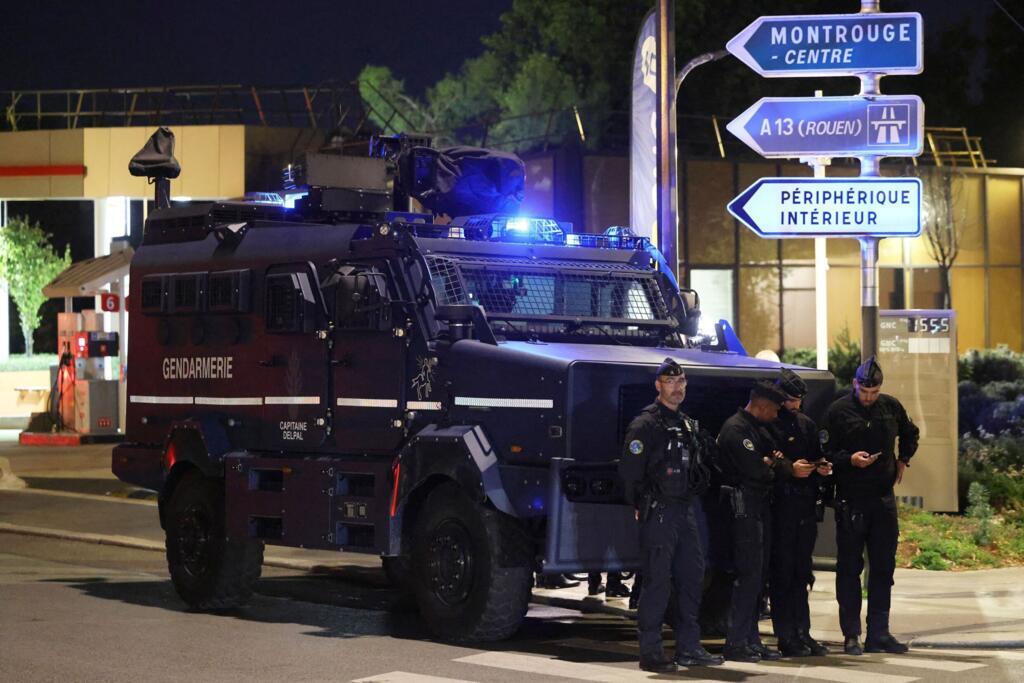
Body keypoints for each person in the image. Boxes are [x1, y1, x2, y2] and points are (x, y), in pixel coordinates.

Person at [618, 358, 722, 673]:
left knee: (693, 576)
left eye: (681, 382)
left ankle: (689, 647)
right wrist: (642, 505)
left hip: (685, 509)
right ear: (658, 385)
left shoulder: (688, 424)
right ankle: (651, 652)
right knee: (657, 582)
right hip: (659, 511)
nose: (677, 388)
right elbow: (629, 474)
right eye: (670, 382)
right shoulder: (645, 425)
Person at [821, 356, 919, 656]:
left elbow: (910, 432)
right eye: (864, 392)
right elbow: (824, 450)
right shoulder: (838, 411)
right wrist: (848, 460)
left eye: (874, 392)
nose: (869, 398)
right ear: (855, 385)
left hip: (882, 499)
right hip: (852, 499)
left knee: (883, 568)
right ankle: (851, 634)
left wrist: (903, 459)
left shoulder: (889, 406)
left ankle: (879, 633)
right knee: (849, 569)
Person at [715, 380, 791, 663]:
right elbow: (758, 471)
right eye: (774, 410)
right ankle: (736, 642)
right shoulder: (736, 430)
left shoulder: (756, 428)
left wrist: (770, 464)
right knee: (747, 576)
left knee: (757, 578)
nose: (776, 416)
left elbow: (776, 461)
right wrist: (769, 466)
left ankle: (751, 639)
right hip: (743, 507)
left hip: (757, 506)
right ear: (761, 406)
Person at [769, 369, 832, 657]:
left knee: (802, 573)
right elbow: (769, 463)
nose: (794, 405)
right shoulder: (770, 423)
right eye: (790, 400)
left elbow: (818, 455)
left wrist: (821, 469)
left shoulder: (806, 424)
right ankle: (786, 635)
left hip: (805, 507)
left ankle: (802, 632)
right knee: (783, 574)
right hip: (781, 508)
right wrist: (790, 469)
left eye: (798, 400)